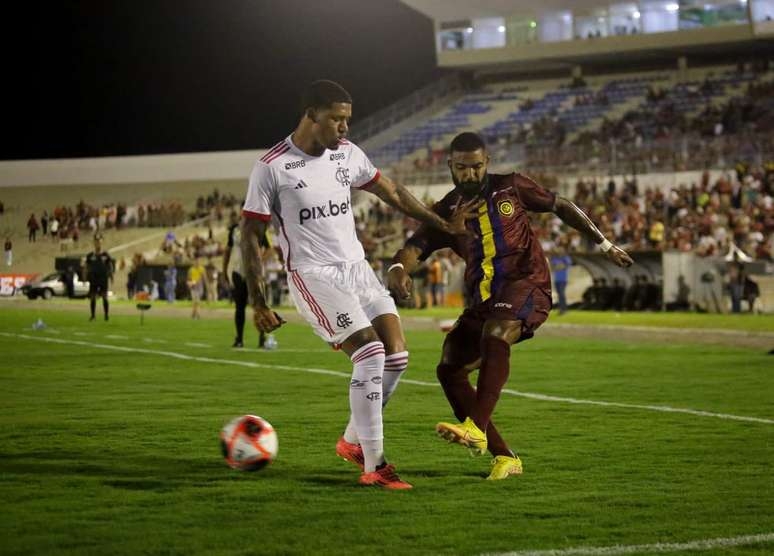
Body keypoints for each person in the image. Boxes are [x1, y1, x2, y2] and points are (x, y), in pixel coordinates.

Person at [240, 79, 478, 490]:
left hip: (357, 269)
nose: (345, 128)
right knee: (369, 352)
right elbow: (250, 236)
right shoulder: (272, 167)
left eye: (348, 119)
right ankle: (376, 464)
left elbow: (394, 193)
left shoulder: (347, 155)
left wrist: (443, 226)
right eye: (337, 119)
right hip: (313, 275)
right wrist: (258, 302)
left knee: (397, 356)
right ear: (311, 115)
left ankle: (352, 441)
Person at [388, 132, 633, 480]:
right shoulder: (448, 212)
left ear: (486, 162)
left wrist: (606, 245)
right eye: (461, 168)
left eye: (476, 167)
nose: (469, 174)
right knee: (449, 368)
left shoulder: (511, 187)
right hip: (483, 300)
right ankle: (505, 458)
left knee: (497, 331)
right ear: (450, 167)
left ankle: (476, 427)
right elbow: (415, 246)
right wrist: (398, 268)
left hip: (526, 284)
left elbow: (561, 205)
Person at [222, 211, 266, 348]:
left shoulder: (258, 228)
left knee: (258, 306)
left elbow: (269, 249)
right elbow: (227, 250)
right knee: (239, 307)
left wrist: (259, 261)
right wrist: (224, 270)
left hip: (253, 273)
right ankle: (239, 339)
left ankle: (262, 338)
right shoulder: (234, 230)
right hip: (238, 271)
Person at [84, 234, 115, 321]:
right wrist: (85, 277)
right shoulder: (90, 255)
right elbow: (86, 266)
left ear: (101, 243)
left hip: (103, 278)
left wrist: (111, 276)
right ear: (94, 243)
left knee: (104, 297)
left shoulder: (105, 255)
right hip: (93, 278)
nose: (98, 244)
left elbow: (110, 266)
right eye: (96, 242)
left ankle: (106, 315)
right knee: (93, 297)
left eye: (99, 242)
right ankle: (93, 315)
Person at [549, 246, 572, 314]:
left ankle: (564, 309)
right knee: (559, 294)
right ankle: (561, 309)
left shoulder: (565, 258)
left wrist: (558, 267)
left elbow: (567, 266)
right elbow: (552, 267)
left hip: (563, 279)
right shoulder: (555, 259)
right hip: (556, 279)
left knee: (562, 294)